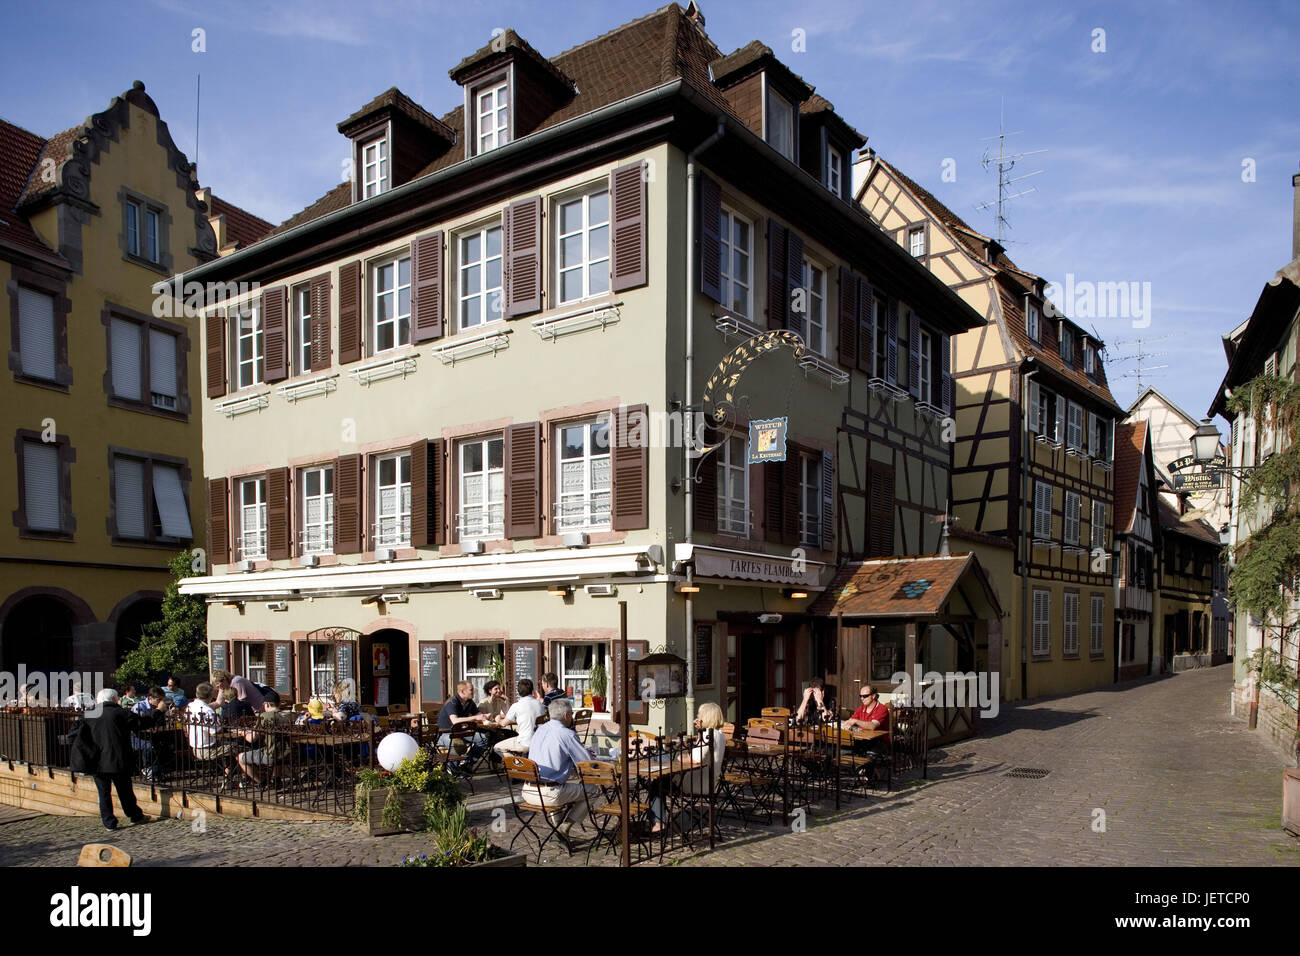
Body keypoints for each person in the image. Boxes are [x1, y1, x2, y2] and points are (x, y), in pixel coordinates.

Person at [67, 689, 150, 831]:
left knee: (103, 792)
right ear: (115, 699)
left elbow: (73, 733)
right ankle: (134, 815)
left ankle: (109, 822)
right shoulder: (120, 713)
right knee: (125, 790)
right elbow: (141, 723)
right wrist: (158, 712)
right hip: (117, 758)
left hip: (97, 760)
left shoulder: (88, 715)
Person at [523, 698, 597, 837]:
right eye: (571, 714)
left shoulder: (539, 730)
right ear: (566, 715)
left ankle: (558, 826)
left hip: (528, 791)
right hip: (547, 794)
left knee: (559, 785)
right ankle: (564, 826)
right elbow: (587, 764)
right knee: (592, 790)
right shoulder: (567, 734)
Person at [649, 702, 727, 832]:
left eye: (700, 715)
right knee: (659, 761)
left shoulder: (707, 734)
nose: (697, 717)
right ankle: (657, 821)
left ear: (706, 717)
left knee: (656, 783)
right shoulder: (720, 734)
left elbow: (695, 759)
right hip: (709, 781)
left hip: (693, 781)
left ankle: (658, 824)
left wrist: (682, 757)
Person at [237, 690, 293, 784]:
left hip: (271, 754)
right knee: (278, 749)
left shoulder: (265, 716)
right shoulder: (289, 716)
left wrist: (243, 733)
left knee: (240, 757)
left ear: (267, 704)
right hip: (288, 753)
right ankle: (276, 779)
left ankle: (261, 781)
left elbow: (251, 739)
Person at [437, 681, 487, 775]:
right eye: (471, 690)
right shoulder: (452, 702)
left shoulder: (469, 702)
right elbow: (454, 721)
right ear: (462, 691)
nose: (474, 692)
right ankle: (452, 769)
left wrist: (485, 716)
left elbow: (478, 714)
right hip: (446, 733)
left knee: (484, 739)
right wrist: (474, 718)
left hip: (462, 733)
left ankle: (467, 764)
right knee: (457, 744)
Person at [494, 678, 546, 757]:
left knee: (497, 747)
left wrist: (498, 719)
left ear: (518, 692)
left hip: (525, 742)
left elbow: (503, 723)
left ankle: (518, 764)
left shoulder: (516, 706)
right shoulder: (540, 705)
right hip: (540, 741)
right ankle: (523, 762)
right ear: (532, 690)